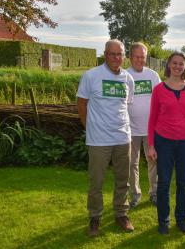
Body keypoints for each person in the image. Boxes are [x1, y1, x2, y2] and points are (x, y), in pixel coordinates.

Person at [77, 39, 135, 237]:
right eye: (112, 54)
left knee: (123, 179)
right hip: (98, 140)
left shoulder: (128, 79)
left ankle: (121, 214)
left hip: (122, 137)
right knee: (96, 182)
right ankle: (95, 217)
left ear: (124, 56)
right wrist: (89, 127)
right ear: (105, 54)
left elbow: (126, 105)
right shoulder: (91, 76)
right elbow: (82, 104)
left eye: (120, 54)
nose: (116, 58)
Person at [147, 52, 185, 235]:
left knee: (183, 183)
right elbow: (152, 119)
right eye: (175, 63)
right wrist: (151, 145)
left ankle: (181, 220)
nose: (178, 66)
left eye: (182, 63)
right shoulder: (159, 89)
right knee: (163, 183)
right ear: (169, 65)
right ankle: (163, 221)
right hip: (163, 142)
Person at [127, 42, 161, 208]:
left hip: (151, 129)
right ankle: (135, 194)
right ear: (130, 57)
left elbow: (161, 100)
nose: (140, 60)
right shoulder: (124, 76)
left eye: (143, 57)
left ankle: (154, 193)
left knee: (153, 161)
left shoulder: (153, 76)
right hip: (130, 129)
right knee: (131, 163)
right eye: (137, 57)